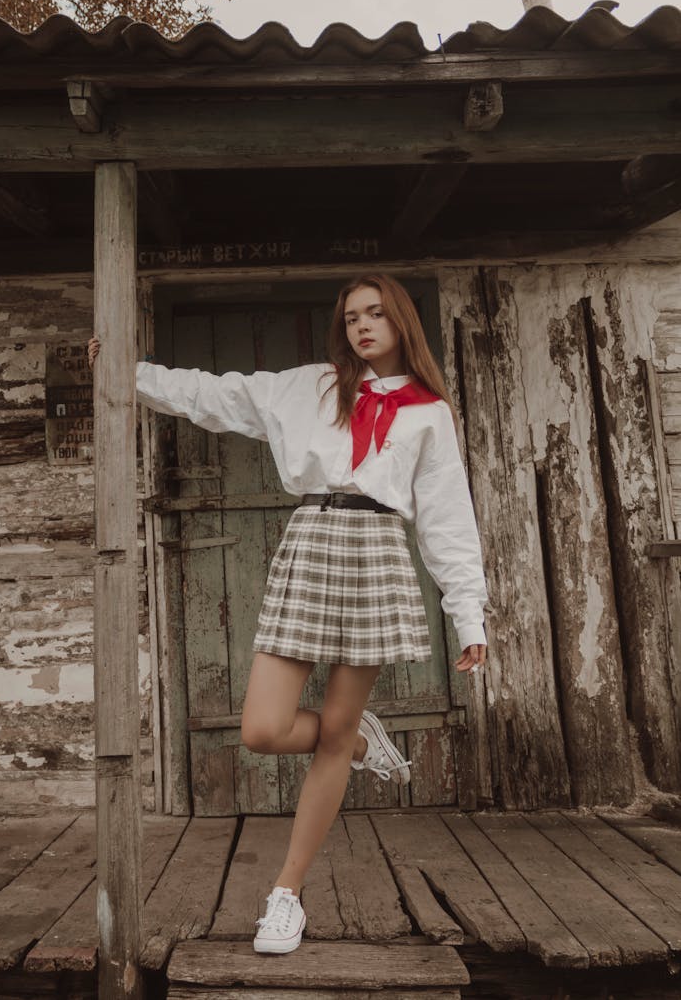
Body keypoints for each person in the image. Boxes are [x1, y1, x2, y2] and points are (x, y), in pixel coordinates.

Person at [87, 272, 488, 956]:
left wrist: (469, 614)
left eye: (377, 313)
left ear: (401, 323)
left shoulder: (429, 411)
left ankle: (286, 894)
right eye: (352, 315)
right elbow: (216, 396)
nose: (363, 325)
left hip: (377, 550)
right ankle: (359, 739)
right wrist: (131, 372)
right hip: (310, 541)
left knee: (324, 735)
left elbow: (448, 517)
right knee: (263, 727)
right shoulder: (312, 386)